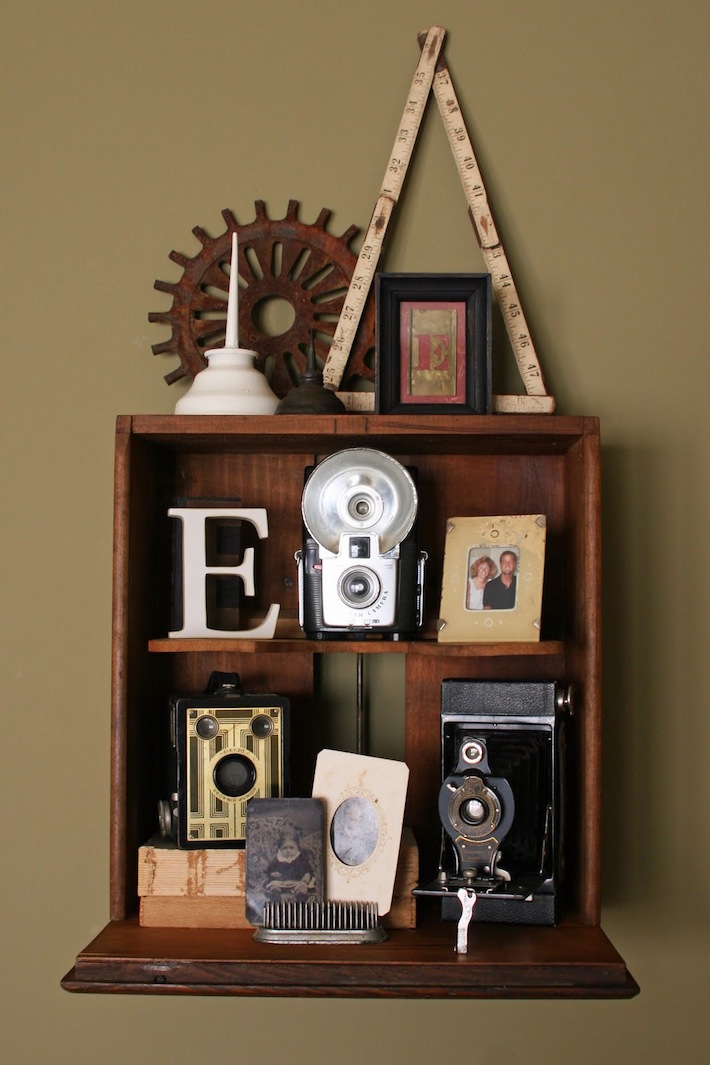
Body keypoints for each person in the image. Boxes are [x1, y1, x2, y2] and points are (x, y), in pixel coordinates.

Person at [265, 828, 316, 903]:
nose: (288, 851)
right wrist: (273, 873)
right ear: (280, 849)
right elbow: (270, 868)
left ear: (297, 848)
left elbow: (307, 868)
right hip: (281, 883)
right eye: (284, 848)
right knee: (274, 886)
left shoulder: (300, 858)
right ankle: (275, 895)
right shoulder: (278, 858)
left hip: (296, 882)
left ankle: (300, 896)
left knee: (301, 887)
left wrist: (307, 874)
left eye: (291, 848)